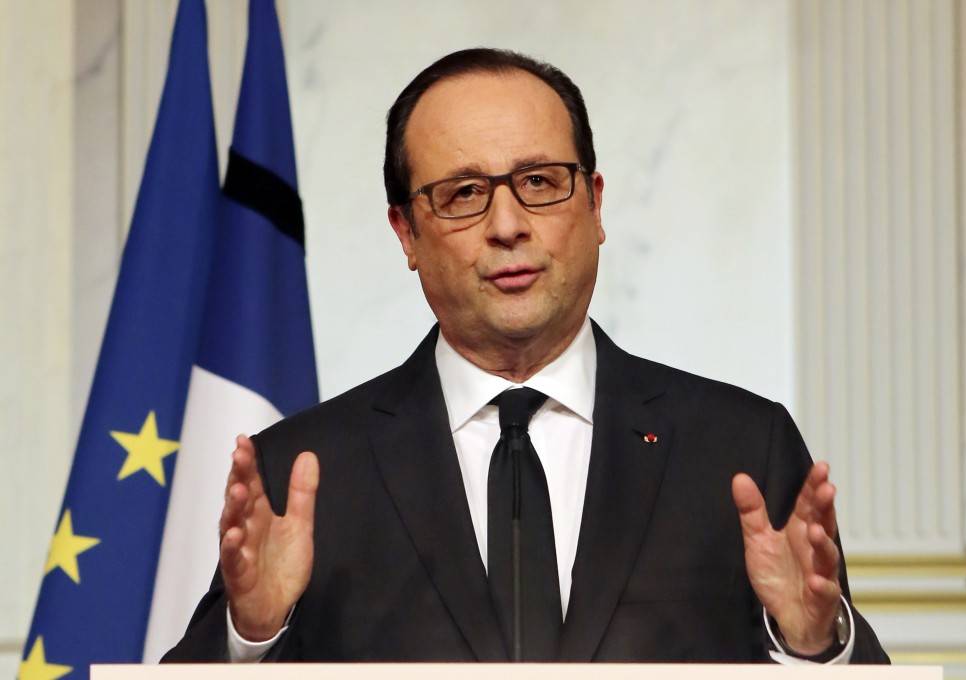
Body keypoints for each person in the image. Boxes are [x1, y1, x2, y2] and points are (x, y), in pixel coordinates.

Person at [163, 48, 888, 664]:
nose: (507, 225)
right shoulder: (305, 472)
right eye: (463, 194)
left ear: (595, 204)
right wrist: (251, 637)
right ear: (406, 233)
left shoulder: (739, 449)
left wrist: (812, 649)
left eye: (539, 182)